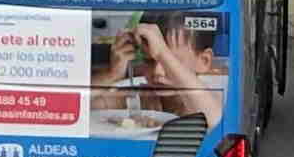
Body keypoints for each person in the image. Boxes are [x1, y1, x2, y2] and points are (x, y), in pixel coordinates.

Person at [90, 10, 223, 131]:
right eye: (149, 61)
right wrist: (112, 75)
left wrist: (162, 52)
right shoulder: (141, 97)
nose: (157, 72)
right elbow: (75, 107)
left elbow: (214, 121)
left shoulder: (211, 100)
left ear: (204, 61)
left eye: (170, 61)